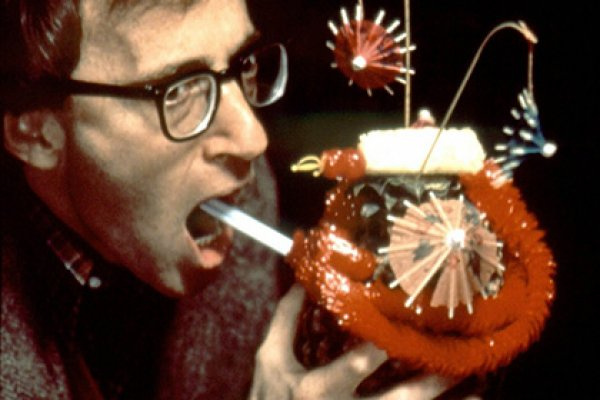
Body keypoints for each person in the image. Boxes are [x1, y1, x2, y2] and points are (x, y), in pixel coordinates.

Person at [1, 0, 467, 398]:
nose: (251, 138)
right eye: (178, 90)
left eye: (242, 64)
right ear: (35, 134)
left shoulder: (243, 199)